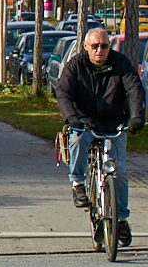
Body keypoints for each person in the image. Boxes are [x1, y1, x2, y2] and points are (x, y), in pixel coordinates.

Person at [55, 25, 143, 247]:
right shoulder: (75, 65)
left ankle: (121, 219)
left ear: (109, 47)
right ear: (85, 47)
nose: (99, 51)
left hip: (114, 123)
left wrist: (136, 117)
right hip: (84, 121)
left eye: (104, 46)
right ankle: (78, 184)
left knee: (119, 171)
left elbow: (134, 90)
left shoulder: (121, 64)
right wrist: (71, 117)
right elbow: (63, 92)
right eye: (94, 46)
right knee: (77, 138)